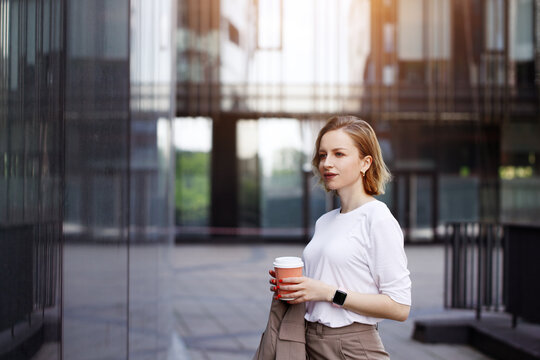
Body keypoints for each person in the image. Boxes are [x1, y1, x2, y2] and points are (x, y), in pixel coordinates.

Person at [268, 115, 411, 359]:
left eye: (339, 154)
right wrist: (299, 287)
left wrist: (328, 292)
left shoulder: (377, 218)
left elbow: (400, 307)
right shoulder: (325, 221)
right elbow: (328, 281)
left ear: (365, 163)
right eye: (323, 155)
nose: (326, 163)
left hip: (351, 346)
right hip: (308, 340)